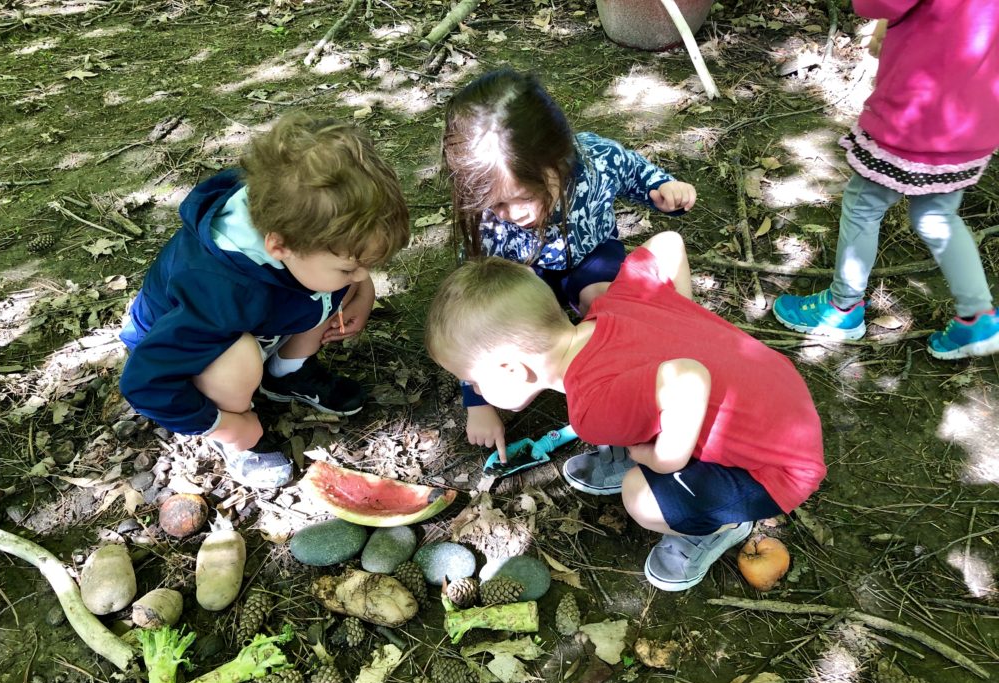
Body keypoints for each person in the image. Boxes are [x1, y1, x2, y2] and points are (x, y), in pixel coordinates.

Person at [425, 231, 826, 591]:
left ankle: (715, 528)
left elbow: (687, 378)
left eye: (474, 381)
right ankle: (665, 444)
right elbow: (668, 244)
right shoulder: (613, 301)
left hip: (776, 469)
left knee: (640, 495)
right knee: (649, 430)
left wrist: (665, 459)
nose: (475, 391)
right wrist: (679, 321)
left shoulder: (591, 409)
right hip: (782, 393)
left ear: (511, 369)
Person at [119, 113, 409, 489]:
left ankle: (286, 374)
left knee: (320, 285)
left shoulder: (300, 227)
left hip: (268, 312)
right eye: (350, 268)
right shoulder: (218, 290)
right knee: (236, 360)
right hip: (189, 352)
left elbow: (334, 269)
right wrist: (226, 426)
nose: (359, 274)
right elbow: (144, 382)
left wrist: (361, 288)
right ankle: (238, 428)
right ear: (279, 247)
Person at [441, 67, 697, 491]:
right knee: (513, 333)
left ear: (559, 159)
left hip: (591, 258)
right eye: (495, 204)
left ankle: (622, 405)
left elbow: (634, 171)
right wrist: (477, 401)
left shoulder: (594, 159)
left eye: (524, 198)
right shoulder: (485, 220)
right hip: (521, 279)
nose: (512, 214)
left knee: (604, 304)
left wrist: (662, 188)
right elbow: (474, 316)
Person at [773, 0, 999, 359]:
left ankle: (842, 308)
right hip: (975, 120)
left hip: (915, 114)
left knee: (864, 203)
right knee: (938, 215)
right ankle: (978, 316)